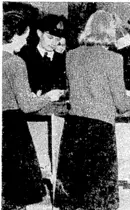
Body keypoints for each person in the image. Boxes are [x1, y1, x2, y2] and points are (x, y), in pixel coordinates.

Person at [54, 10, 130, 210]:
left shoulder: (70, 55)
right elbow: (122, 104)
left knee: (74, 198)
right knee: (99, 200)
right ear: (110, 31)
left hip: (74, 131)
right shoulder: (113, 59)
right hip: (99, 132)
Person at [2, 9, 64, 210]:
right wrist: (49, 96)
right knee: (17, 195)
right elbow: (27, 105)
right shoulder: (15, 62)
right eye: (25, 36)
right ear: (15, 36)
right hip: (12, 128)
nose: (25, 41)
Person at [17, 13, 69, 188]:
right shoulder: (24, 55)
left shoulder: (64, 59)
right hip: (30, 120)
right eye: (50, 37)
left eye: (58, 38)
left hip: (56, 119)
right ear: (39, 33)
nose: (54, 42)